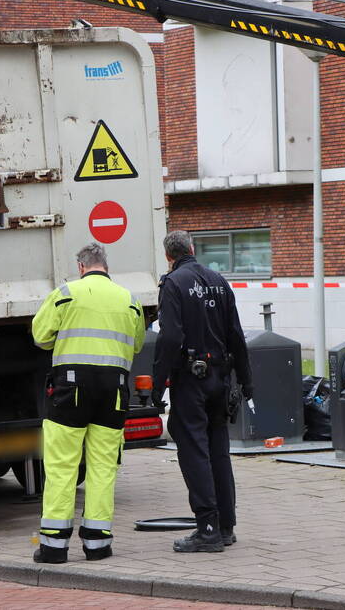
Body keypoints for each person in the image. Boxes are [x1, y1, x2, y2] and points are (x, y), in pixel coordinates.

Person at [30, 242, 145, 564]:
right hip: (115, 390)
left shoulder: (66, 293)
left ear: (81, 267)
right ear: (105, 266)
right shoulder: (130, 300)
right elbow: (136, 345)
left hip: (72, 387)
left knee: (62, 465)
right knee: (104, 467)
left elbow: (41, 336)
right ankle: (97, 544)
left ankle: (54, 546)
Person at [152, 230, 251, 553]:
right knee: (219, 450)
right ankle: (225, 525)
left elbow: (169, 339)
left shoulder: (173, 284)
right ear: (192, 249)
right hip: (220, 380)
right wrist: (247, 382)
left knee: (194, 451)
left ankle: (206, 528)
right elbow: (236, 335)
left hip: (191, 381)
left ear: (169, 256)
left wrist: (157, 385)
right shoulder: (219, 281)